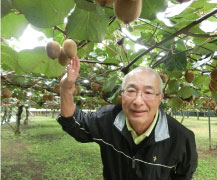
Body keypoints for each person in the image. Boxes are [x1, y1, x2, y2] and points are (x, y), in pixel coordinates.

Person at [57, 56, 198, 180]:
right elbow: (75, 123)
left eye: (148, 92)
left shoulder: (182, 139)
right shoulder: (107, 120)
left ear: (160, 98)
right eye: (131, 91)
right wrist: (66, 89)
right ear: (122, 95)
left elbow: (183, 175)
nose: (138, 101)